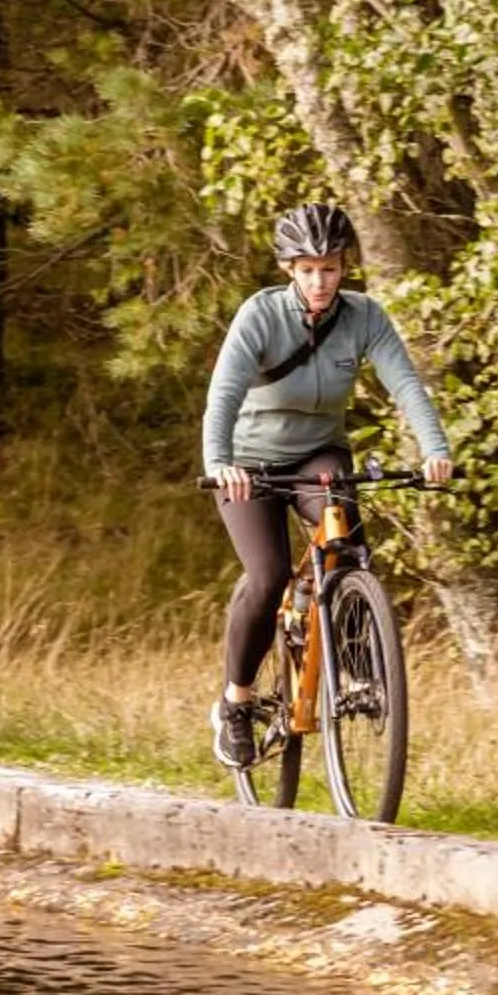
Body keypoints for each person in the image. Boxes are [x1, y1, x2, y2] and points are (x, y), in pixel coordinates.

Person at [203, 202, 454, 767]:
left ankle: (360, 672)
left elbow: (406, 384)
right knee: (266, 575)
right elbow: (223, 394)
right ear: (290, 268)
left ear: (345, 268)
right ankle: (236, 703)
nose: (320, 280)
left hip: (318, 453)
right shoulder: (260, 316)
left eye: (331, 268)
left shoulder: (364, 316)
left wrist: (435, 449)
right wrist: (221, 461)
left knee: (349, 549)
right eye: (308, 268)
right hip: (250, 460)